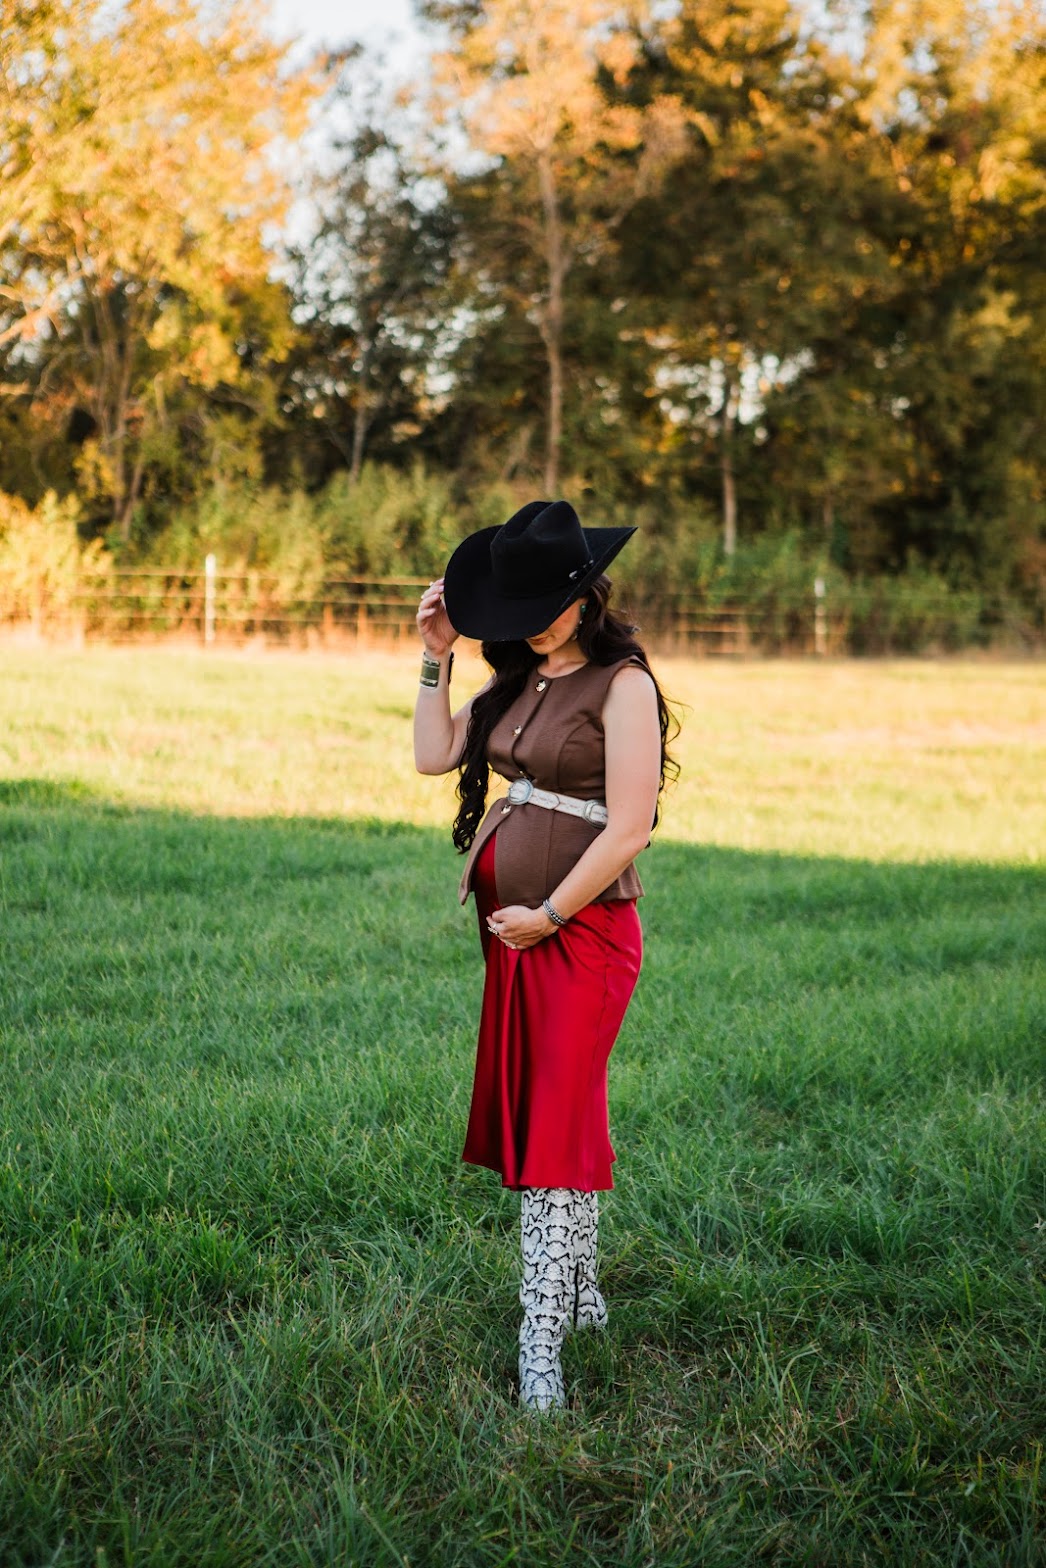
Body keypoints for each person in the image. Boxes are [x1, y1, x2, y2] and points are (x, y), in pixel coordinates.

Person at [413, 498, 676, 1413]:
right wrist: (436, 656)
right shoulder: (518, 678)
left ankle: (542, 1340)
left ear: (582, 593)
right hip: (517, 940)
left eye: (540, 606)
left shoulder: (622, 685)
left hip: (584, 935)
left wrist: (552, 912)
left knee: (554, 1139)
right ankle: (584, 1291)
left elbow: (632, 824)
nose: (524, 623)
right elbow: (433, 753)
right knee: (556, 1118)